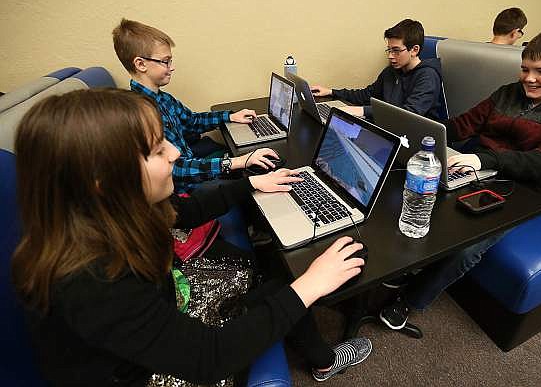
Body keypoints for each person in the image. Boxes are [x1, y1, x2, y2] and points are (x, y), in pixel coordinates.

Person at [11, 89, 372, 386]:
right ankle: (325, 360)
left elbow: (182, 212)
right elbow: (208, 359)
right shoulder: (91, 281)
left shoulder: (100, 214)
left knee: (269, 278)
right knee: (288, 286)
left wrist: (249, 184)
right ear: (103, 182)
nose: (176, 153)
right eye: (156, 149)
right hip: (151, 375)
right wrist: (312, 285)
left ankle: (320, 355)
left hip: (153, 328)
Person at [379, 21, 541, 330]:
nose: (529, 79)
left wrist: (482, 158)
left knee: (467, 247)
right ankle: (408, 267)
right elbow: (462, 125)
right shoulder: (508, 93)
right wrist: (421, 131)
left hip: (524, 191)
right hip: (479, 170)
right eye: (525, 68)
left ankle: (410, 300)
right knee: (411, 187)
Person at [112, 18, 279, 194]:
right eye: (165, 61)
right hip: (185, 188)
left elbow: (191, 121)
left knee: (250, 165)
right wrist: (237, 162)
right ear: (141, 64)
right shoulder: (140, 114)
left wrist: (229, 116)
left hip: (193, 168)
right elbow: (176, 169)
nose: (172, 67)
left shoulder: (163, 99)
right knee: (252, 182)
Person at [311, 19, 443, 121]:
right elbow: (366, 95)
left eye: (396, 51)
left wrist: (362, 111)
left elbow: (408, 114)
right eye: (389, 50)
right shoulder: (392, 71)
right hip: (389, 128)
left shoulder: (428, 76)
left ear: (414, 50)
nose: (390, 56)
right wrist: (331, 92)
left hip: (416, 139)